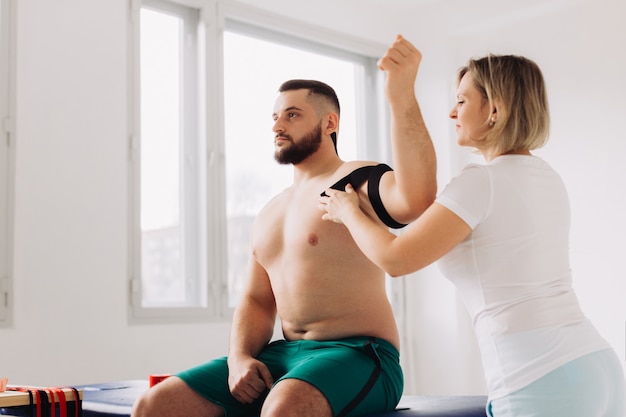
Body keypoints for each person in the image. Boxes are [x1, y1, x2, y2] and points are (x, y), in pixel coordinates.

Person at [131, 35, 437, 417]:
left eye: (292, 114)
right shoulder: (270, 211)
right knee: (155, 405)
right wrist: (239, 357)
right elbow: (257, 300)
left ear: (330, 123)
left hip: (360, 355)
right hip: (286, 355)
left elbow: (417, 198)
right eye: (275, 116)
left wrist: (402, 96)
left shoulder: (354, 179)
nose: (278, 124)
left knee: (284, 406)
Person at [320, 50, 626, 417]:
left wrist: (349, 212)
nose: (452, 113)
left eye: (462, 101)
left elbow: (395, 259)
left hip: (539, 378)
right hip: (596, 365)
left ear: (493, 110)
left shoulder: (481, 182)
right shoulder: (547, 176)